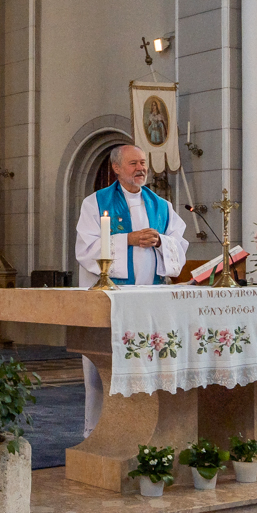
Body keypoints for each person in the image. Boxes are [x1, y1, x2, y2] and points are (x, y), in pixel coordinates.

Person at [74, 144, 189, 437]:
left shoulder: (161, 205)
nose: (141, 168)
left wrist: (161, 241)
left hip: (150, 303)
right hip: (112, 301)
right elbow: (86, 248)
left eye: (143, 163)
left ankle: (147, 429)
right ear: (116, 168)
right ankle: (100, 431)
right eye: (133, 163)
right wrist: (128, 239)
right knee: (104, 371)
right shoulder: (95, 203)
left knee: (150, 366)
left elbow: (179, 244)